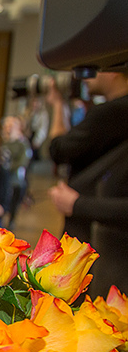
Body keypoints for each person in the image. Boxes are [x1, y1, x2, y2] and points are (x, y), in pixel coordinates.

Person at [47, 71, 128, 244]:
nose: (85, 76)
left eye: (95, 68)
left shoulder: (110, 112)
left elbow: (59, 150)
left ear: (113, 71)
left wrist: (58, 104)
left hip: (99, 235)